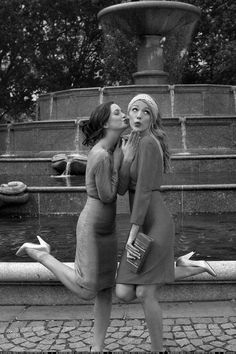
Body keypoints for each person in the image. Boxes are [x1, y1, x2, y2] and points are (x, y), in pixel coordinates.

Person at [16, 101, 139, 352]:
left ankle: (97, 348)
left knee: (105, 289)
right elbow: (107, 196)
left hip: (108, 227)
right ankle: (41, 255)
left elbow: (122, 189)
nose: (125, 115)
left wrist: (124, 160)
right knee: (87, 289)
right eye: (118, 113)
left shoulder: (114, 149)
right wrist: (120, 162)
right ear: (106, 123)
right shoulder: (102, 154)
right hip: (93, 227)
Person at [116, 94, 216, 352]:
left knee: (144, 293)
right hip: (142, 223)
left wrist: (133, 231)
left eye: (145, 112)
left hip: (155, 225)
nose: (139, 116)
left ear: (153, 117)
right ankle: (192, 266)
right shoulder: (133, 142)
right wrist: (126, 160)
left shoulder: (149, 143)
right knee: (124, 292)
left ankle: (158, 349)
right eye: (135, 110)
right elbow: (122, 189)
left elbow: (146, 190)